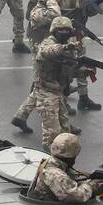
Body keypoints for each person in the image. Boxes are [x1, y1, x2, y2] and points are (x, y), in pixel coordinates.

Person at [12, 0, 69, 134]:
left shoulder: (47, 7)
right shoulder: (41, 11)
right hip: (41, 50)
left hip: (49, 47)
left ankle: (21, 116)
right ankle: (58, 118)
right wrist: (52, 1)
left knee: (40, 85)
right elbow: (55, 16)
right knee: (43, 84)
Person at [31, 17, 84, 150]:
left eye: (67, 30)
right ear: (54, 31)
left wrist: (83, 71)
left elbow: (68, 69)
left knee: (65, 132)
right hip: (46, 93)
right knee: (52, 136)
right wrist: (66, 46)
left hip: (59, 93)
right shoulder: (48, 43)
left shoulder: (68, 46)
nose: (64, 32)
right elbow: (47, 51)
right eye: (60, 30)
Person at [58, 0, 102, 111]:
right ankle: (61, 101)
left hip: (78, 32)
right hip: (63, 33)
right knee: (65, 68)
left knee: (82, 64)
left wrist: (95, 3)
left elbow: (89, 11)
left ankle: (84, 97)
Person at [27, 132, 103, 202]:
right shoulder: (56, 174)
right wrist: (93, 187)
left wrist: (90, 181)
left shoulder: (50, 162)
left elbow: (70, 180)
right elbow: (77, 196)